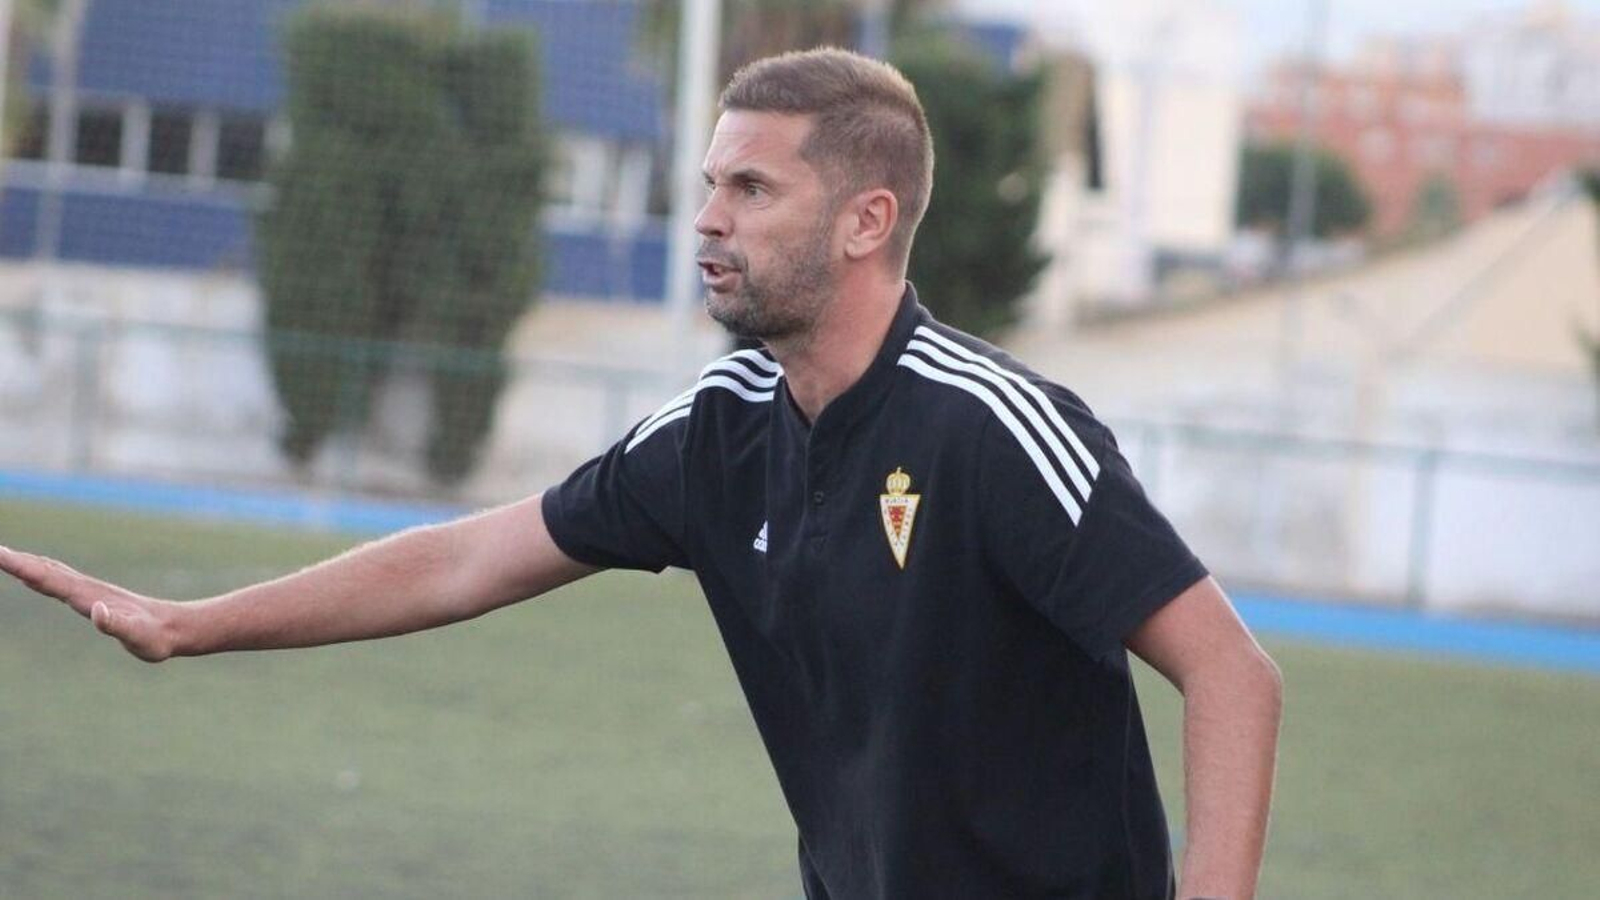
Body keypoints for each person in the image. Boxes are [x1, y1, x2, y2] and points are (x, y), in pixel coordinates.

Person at [0, 48, 1281, 900]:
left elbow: (1232, 673)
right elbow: (466, 558)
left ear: (865, 221)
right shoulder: (716, 432)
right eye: (708, 183)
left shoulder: (990, 426)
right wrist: (191, 626)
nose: (708, 218)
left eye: (751, 188)